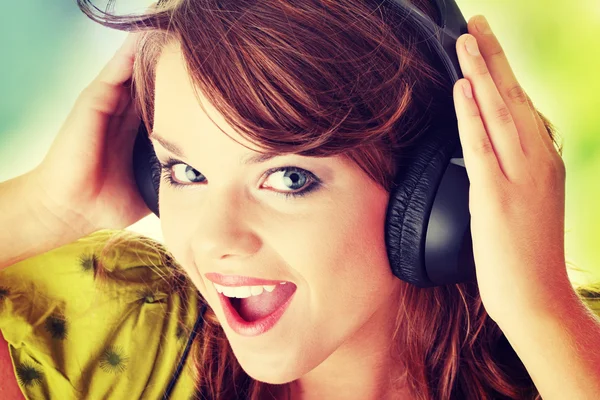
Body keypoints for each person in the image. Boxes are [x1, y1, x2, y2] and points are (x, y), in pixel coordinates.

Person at [1, 0, 600, 399]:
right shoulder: (125, 334)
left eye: (289, 178)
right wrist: (47, 211)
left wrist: (543, 314)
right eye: (184, 170)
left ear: (436, 197)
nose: (215, 239)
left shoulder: (567, 348)